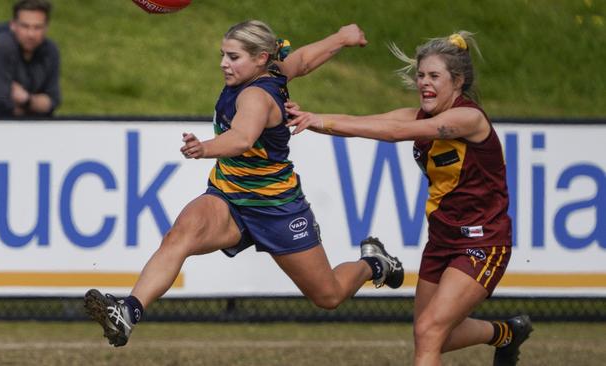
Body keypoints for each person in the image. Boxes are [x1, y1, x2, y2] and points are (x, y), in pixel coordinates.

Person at [84, 20, 404, 347]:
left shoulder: (256, 97)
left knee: (329, 296)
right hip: (229, 198)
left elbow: (241, 139)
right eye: (223, 54)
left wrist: (205, 148)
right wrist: (340, 38)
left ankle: (374, 263)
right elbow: (304, 60)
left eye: (233, 57)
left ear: (261, 58)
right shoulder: (273, 72)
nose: (224, 63)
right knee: (178, 236)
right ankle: (129, 311)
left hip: (276, 209)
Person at [286, 32, 533, 366]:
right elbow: (365, 123)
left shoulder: (468, 118)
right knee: (431, 334)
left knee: (430, 332)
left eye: (434, 76)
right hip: (442, 239)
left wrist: (320, 120)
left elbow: (394, 133)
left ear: (457, 81)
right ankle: (505, 333)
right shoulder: (418, 115)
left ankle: (504, 333)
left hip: (483, 242)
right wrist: (311, 119)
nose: (424, 84)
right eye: (421, 76)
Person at [0, 0, 60, 119]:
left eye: (37, 27)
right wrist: (36, 105)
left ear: (46, 28)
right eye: (25, 26)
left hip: (31, 128)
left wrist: (26, 99)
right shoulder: (0, 47)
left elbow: (52, 102)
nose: (31, 34)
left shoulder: (50, 51)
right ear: (13, 25)